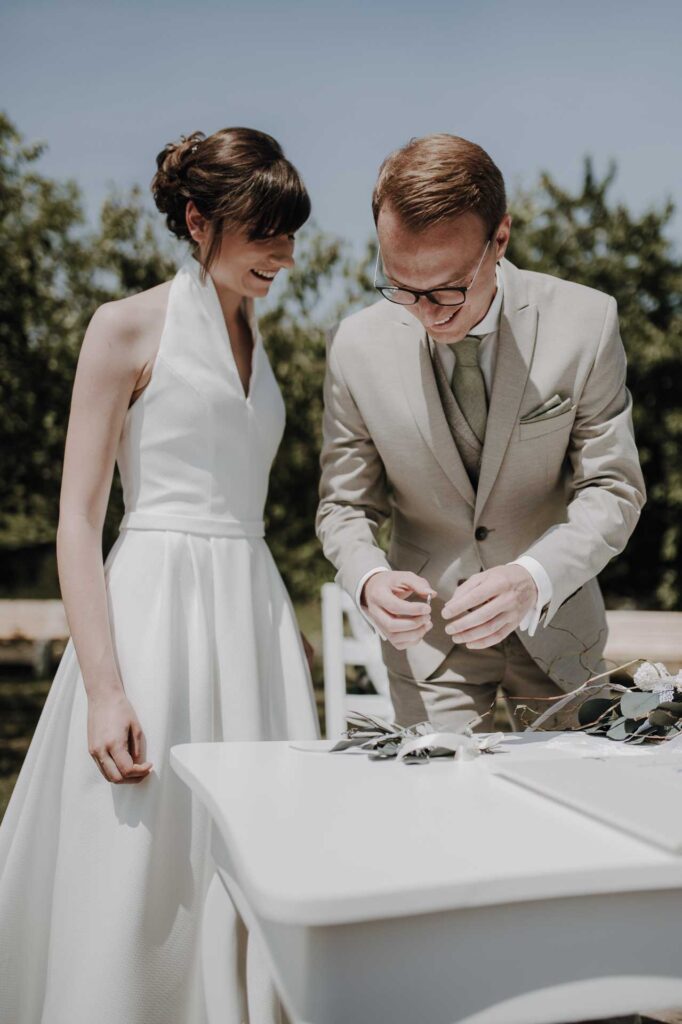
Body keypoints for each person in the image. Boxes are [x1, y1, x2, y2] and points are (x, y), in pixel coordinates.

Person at [0, 127, 318, 1024]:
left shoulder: (254, 326)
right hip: (154, 616)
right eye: (266, 234)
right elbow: (76, 518)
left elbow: (236, 498)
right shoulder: (125, 326)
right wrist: (104, 688)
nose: (285, 256)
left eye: (291, 234)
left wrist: (276, 616)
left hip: (250, 611)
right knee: (144, 857)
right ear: (197, 220)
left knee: (257, 856)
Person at [317, 133, 646, 733]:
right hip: (428, 648)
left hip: (559, 630)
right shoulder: (353, 347)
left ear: (500, 238)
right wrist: (368, 580)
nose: (427, 311)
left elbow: (614, 489)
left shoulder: (587, 322)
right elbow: (343, 505)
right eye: (400, 285)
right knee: (438, 818)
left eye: (448, 288)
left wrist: (532, 578)